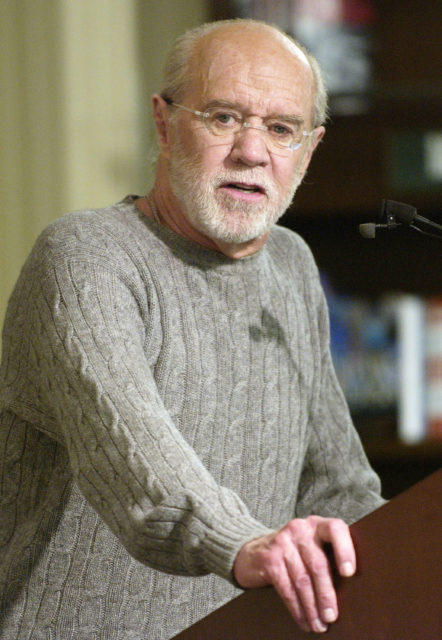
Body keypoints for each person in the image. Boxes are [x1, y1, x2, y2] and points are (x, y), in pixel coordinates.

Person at [0, 18, 384, 639]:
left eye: (281, 129)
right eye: (224, 118)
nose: (252, 152)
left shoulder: (290, 265)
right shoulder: (85, 257)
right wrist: (244, 543)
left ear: (308, 150)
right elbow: (136, 464)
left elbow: (337, 488)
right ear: (163, 121)